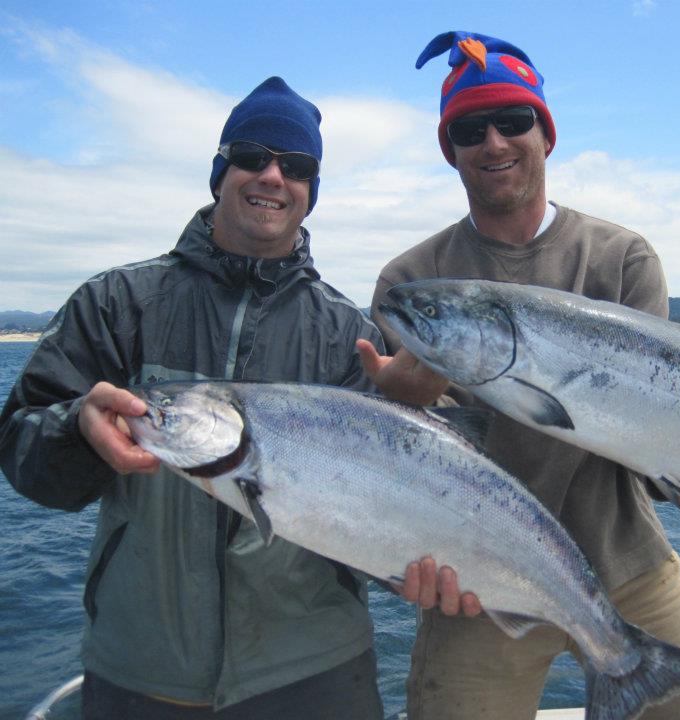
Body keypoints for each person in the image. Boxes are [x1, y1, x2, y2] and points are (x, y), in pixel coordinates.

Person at [0, 76, 470, 720]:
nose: (273, 175)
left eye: (296, 165)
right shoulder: (115, 305)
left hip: (317, 671)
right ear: (220, 172)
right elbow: (23, 455)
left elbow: (390, 502)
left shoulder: (349, 338)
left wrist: (412, 571)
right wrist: (77, 432)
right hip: (140, 671)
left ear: (311, 191)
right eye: (253, 155)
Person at [359, 32, 680, 720]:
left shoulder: (622, 260)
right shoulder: (410, 285)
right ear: (450, 149)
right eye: (468, 128)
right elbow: (401, 462)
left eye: (513, 121)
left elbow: (652, 438)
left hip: (627, 562)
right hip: (479, 578)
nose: (493, 142)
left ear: (545, 134)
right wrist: (406, 393)